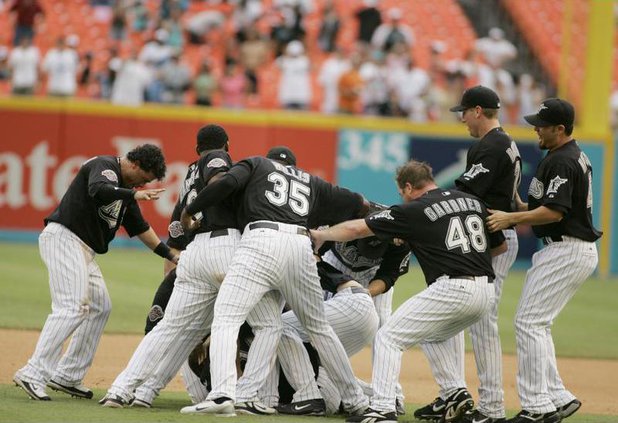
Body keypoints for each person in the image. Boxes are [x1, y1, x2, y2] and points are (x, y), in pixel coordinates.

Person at [178, 146, 370, 417]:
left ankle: (223, 393)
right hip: (300, 244)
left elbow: (227, 183)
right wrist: (380, 210)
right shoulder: (310, 180)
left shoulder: (257, 164)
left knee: (227, 317)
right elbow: (358, 203)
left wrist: (191, 208)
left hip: (261, 239)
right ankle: (356, 401)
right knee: (318, 328)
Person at [311, 160, 507, 423]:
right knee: (431, 335)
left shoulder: (416, 209)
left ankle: (382, 408)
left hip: (452, 287)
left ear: (407, 187)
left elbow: (357, 228)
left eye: (401, 193)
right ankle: (455, 393)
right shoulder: (472, 201)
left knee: (388, 338)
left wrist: (320, 235)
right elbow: (499, 248)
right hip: (484, 291)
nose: (402, 198)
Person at [99, 125, 244, 408]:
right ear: (226, 145)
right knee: (254, 322)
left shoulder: (189, 174)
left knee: (174, 328)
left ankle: (130, 390)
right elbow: (219, 179)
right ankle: (243, 397)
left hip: (193, 255)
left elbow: (177, 232)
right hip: (226, 246)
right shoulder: (218, 158)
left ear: (195, 150)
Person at [13, 144, 171, 402]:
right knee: (72, 307)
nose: (141, 186)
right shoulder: (105, 166)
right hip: (65, 238)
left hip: (84, 250)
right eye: (143, 179)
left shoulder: (128, 191)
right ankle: (33, 372)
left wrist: (171, 255)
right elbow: (98, 190)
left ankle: (68, 375)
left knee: (100, 307)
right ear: (134, 164)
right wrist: (132, 196)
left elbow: (140, 227)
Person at [487, 98, 602, 423]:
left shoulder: (562, 161)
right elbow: (544, 205)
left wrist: (509, 218)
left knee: (528, 323)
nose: (535, 127)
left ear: (560, 128)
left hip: (567, 248)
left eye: (541, 123)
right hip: (569, 248)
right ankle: (557, 396)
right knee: (538, 323)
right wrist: (516, 206)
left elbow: (554, 211)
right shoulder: (565, 156)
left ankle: (538, 407)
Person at [414, 86, 522, 423]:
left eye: (464, 112)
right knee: (456, 317)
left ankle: (490, 408)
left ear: (478, 110)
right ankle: (453, 395)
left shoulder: (492, 145)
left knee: (482, 322)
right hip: (485, 236)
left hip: (494, 237)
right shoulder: (503, 143)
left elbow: (466, 192)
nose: (461, 118)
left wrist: (424, 203)